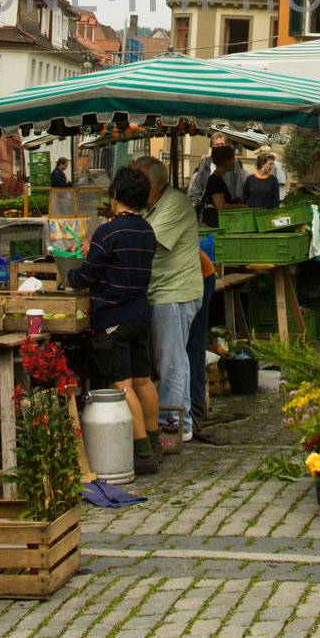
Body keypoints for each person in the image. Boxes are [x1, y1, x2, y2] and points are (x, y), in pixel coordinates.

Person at [68, 166, 160, 474]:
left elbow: (86, 276)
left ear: (115, 195)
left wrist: (70, 272)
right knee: (144, 379)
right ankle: (156, 442)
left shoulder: (108, 232)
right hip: (141, 313)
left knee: (123, 386)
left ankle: (143, 453)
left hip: (114, 320)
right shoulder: (147, 230)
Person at [134, 156, 204, 444]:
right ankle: (181, 421)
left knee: (171, 359)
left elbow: (148, 240)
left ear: (159, 183)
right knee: (173, 357)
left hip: (174, 291)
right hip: (161, 289)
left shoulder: (174, 202)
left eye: (142, 183)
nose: (137, 189)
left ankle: (171, 423)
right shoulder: (150, 205)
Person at [187, 134, 247, 204]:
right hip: (210, 208)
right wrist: (197, 202)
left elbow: (239, 186)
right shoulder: (205, 163)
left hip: (228, 207)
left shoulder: (233, 162)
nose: (220, 147)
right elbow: (197, 186)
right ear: (212, 147)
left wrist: (238, 204)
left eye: (222, 144)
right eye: (217, 145)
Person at [199, 143, 243, 228]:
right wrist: (240, 206)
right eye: (232, 159)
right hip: (214, 223)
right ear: (226, 160)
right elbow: (221, 206)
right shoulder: (216, 180)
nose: (233, 162)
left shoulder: (218, 178)